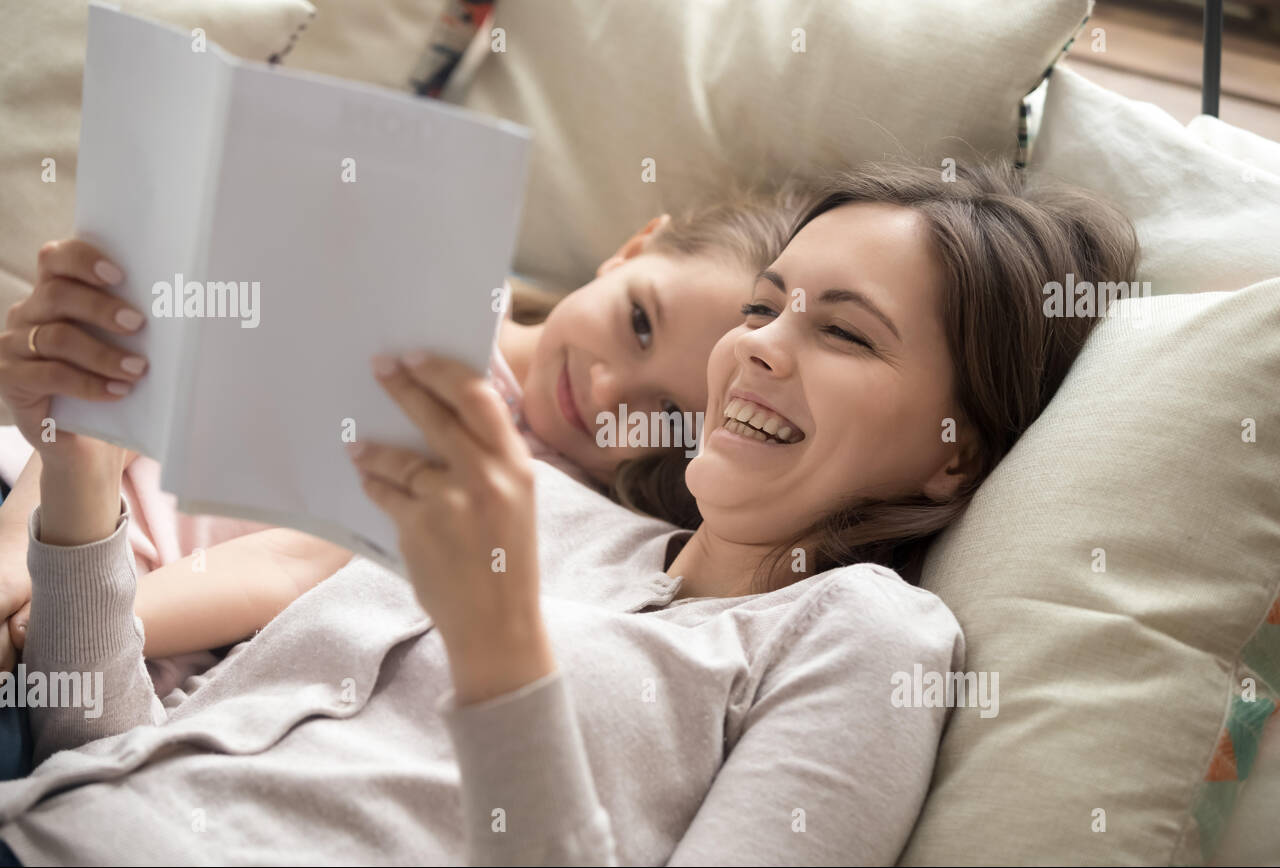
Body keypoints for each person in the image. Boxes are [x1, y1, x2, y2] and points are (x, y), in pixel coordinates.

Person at [0, 159, 1139, 865]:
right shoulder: (533, 498)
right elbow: (102, 753)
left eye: (840, 331)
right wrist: (79, 461)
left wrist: (502, 650)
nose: (754, 349)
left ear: (958, 454)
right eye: (762, 304)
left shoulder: (863, 640)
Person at [0, 185, 816, 693]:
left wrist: (69, 617)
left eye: (659, 413)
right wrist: (15, 553)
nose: (604, 388)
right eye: (638, 320)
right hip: (36, 490)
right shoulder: (421, 282)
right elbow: (132, 376)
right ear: (634, 247)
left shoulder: (528, 501)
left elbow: (290, 566)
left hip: (135, 633)